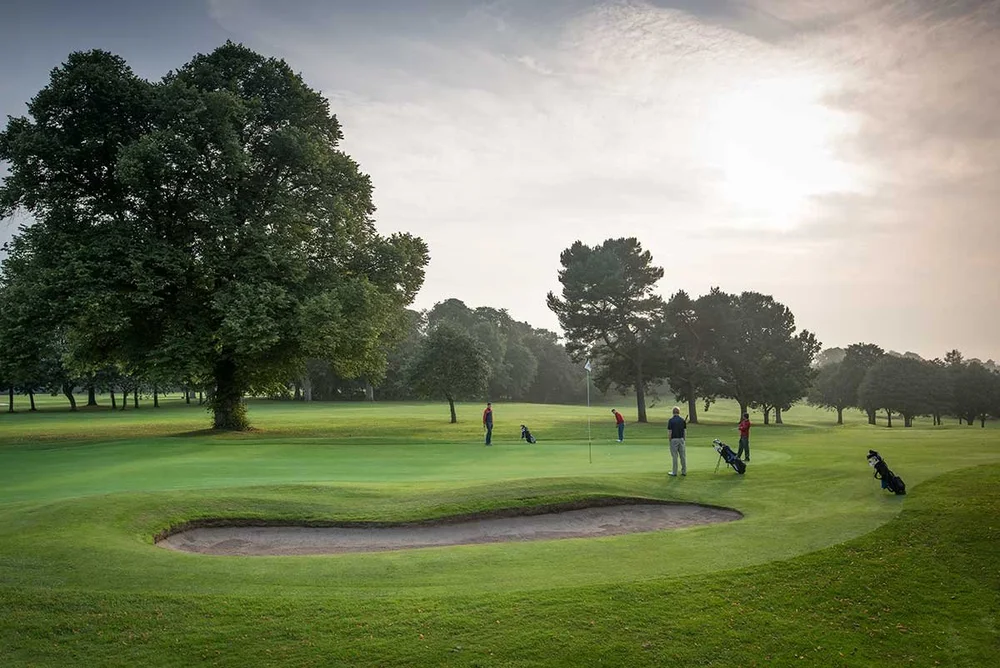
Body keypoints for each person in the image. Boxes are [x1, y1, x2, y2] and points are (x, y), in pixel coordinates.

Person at [667, 406, 687, 476]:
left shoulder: (671, 420)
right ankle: (684, 471)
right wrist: (684, 439)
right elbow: (684, 431)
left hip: (674, 440)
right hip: (681, 439)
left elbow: (670, 432)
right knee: (683, 456)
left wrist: (670, 440)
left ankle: (674, 472)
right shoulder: (682, 420)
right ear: (679, 412)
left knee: (675, 456)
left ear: (673, 412)